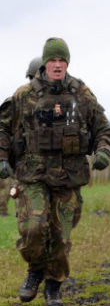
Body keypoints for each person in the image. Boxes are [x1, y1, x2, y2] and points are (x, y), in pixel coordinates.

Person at [0, 37, 110, 305]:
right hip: (33, 176)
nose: (57, 65)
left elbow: (103, 129)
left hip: (68, 177)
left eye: (62, 60)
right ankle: (35, 269)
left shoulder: (81, 94)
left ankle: (53, 285)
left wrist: (103, 151)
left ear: (67, 63)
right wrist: (3, 156)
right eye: (52, 60)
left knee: (61, 239)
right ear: (45, 63)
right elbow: (2, 128)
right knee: (33, 229)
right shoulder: (23, 95)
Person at [0, 57, 45, 218]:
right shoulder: (16, 102)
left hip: (53, 174)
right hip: (24, 171)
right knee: (30, 225)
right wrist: (3, 158)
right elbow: (3, 130)